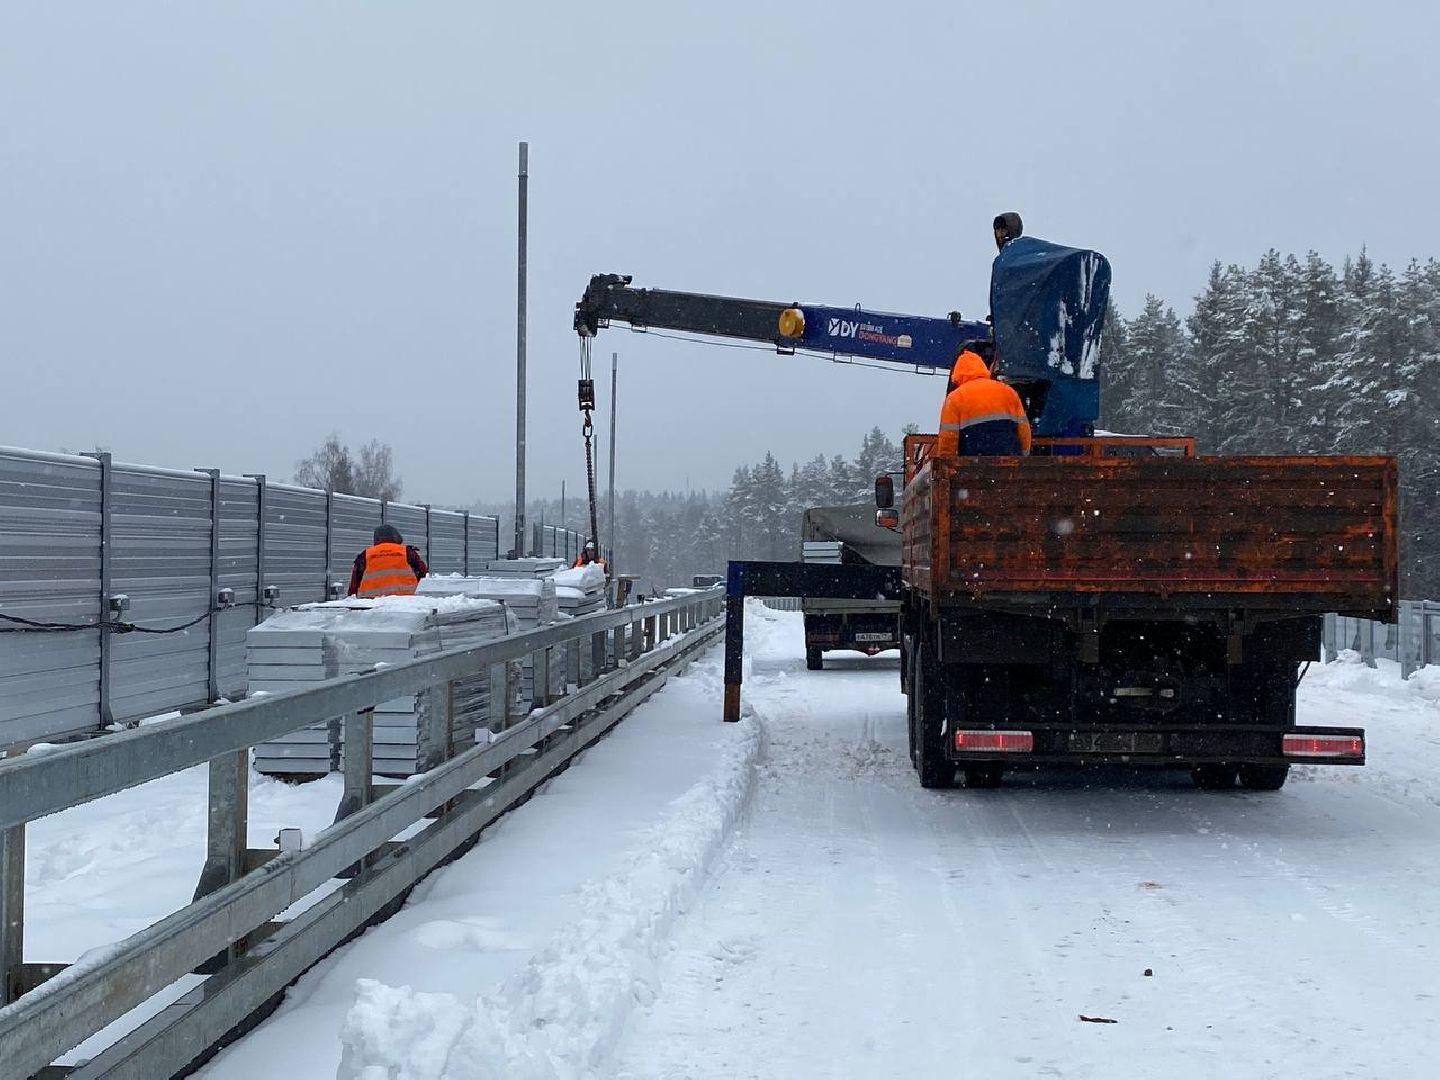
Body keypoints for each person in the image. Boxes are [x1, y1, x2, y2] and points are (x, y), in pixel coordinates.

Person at [936, 343, 1032, 456]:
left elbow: (948, 439)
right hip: (1009, 462)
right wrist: (1024, 457)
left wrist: (947, 465)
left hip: (974, 464)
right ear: (983, 367)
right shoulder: (1008, 391)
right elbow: (1024, 431)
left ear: (957, 375)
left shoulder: (954, 399)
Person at [347, 524, 428, 598]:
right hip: (405, 602)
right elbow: (423, 574)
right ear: (397, 537)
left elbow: (354, 583)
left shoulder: (365, 555)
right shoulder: (407, 552)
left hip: (371, 604)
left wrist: (351, 600)